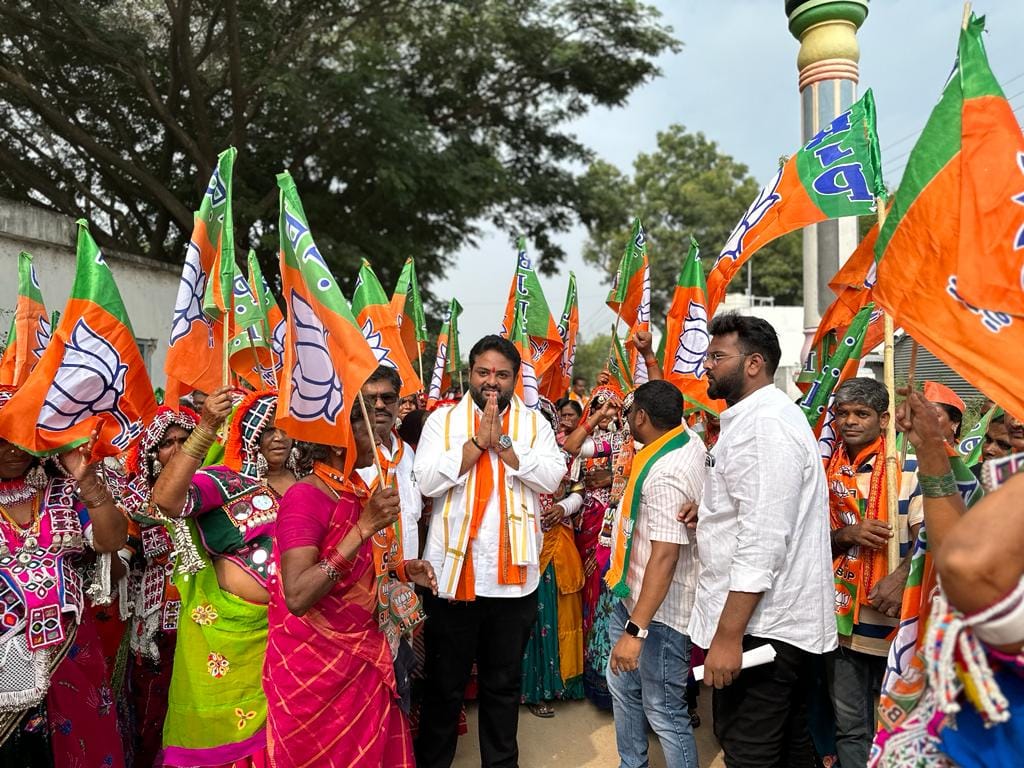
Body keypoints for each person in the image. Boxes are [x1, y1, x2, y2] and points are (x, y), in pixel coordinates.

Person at [687, 313, 836, 767]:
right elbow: (754, 509)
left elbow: (764, 540)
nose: (705, 365)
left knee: (749, 750)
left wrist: (728, 638)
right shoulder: (753, 420)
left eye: (716, 356)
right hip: (765, 624)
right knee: (789, 747)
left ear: (754, 364)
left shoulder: (765, 426)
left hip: (762, 629)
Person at [413, 334, 565, 768]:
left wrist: (503, 445)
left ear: (516, 378)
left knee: (503, 687)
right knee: (445, 686)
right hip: (453, 579)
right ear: (469, 374)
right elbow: (425, 482)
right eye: (484, 372)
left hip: (512, 583)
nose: (492, 382)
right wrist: (476, 444)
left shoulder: (535, 425)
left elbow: (552, 478)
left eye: (502, 374)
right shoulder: (443, 423)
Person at [263, 412, 437, 767]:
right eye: (369, 426)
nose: (382, 431)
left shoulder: (355, 489)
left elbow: (357, 570)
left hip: (363, 657)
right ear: (338, 437)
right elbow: (297, 595)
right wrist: (362, 528)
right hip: (313, 667)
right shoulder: (305, 496)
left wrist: (403, 569)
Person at [151, 387, 297, 767]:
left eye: (284, 427)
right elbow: (167, 500)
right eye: (267, 429)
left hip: (295, 632)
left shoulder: (312, 483)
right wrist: (205, 428)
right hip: (229, 636)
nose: (278, 437)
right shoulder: (224, 480)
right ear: (247, 433)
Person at [0, 386, 129, 766]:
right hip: (6, 654)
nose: (12, 449)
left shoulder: (64, 490)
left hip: (72, 651)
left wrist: (86, 481)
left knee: (80, 746)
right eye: (2, 439)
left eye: (22, 437)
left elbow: (111, 540)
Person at [605, 380, 706, 768]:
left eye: (630, 412)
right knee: (624, 689)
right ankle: (632, 764)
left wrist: (635, 632)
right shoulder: (686, 440)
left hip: (657, 615)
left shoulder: (665, 472)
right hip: (632, 596)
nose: (627, 418)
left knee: (664, 711)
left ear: (641, 417)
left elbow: (665, 556)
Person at [825, 378, 923, 767]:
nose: (849, 422)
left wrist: (899, 582)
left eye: (861, 414)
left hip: (893, 619)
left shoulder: (907, 468)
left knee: (895, 724)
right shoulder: (823, 471)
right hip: (840, 619)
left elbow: (930, 539)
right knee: (850, 725)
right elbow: (802, 541)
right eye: (842, 414)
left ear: (884, 419)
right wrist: (845, 533)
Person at [118, 404, 199, 767]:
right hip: (152, 631)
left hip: (204, 624)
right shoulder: (134, 501)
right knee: (150, 712)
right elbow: (120, 561)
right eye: (168, 443)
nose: (179, 449)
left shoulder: (211, 493)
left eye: (187, 440)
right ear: (152, 453)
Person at [357, 366, 425, 713]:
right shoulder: (349, 455)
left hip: (403, 588)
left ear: (400, 403)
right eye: (371, 398)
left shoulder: (409, 454)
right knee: (371, 682)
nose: (380, 405)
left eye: (388, 398)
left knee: (403, 672)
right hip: (364, 592)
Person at [562, 387, 627, 709]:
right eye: (602, 408)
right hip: (597, 528)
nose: (613, 414)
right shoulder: (612, 443)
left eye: (616, 408)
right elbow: (571, 446)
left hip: (632, 534)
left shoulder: (647, 444)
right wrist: (597, 418)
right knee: (598, 600)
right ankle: (603, 683)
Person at [520, 398, 585, 718]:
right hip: (523, 546)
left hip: (558, 541)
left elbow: (578, 491)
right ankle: (534, 689)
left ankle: (561, 683)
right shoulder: (512, 455)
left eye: (546, 424)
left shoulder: (563, 457)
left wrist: (563, 507)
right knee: (529, 619)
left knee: (559, 613)